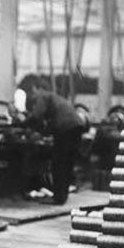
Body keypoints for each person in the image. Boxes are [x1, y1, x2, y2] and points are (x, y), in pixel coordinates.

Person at [24, 76, 86, 205]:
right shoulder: (56, 98)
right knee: (67, 163)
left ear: (39, 88)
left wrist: (26, 123)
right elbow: (52, 121)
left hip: (65, 128)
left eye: (33, 91)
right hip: (77, 126)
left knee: (59, 163)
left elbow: (38, 114)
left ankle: (58, 198)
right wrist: (43, 131)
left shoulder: (43, 95)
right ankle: (62, 197)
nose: (33, 95)